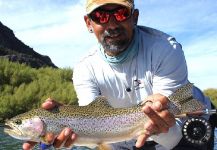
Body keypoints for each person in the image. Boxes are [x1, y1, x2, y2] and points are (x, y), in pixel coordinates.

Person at [23, 0, 214, 150]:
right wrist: (64, 116)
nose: (112, 24)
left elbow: (172, 132)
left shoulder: (165, 48)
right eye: (101, 16)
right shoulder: (84, 68)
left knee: (165, 128)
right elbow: (94, 124)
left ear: (135, 17)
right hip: (127, 136)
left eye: (121, 13)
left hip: (188, 123)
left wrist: (158, 108)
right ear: (88, 23)